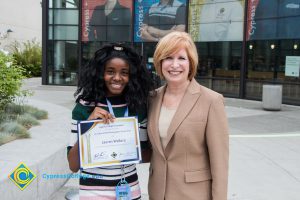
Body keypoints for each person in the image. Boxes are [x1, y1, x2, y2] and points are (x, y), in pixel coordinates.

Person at [147, 31, 229, 200]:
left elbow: (220, 164)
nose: (174, 65)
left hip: (193, 194)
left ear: (190, 63)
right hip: (157, 193)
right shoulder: (151, 99)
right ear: (160, 62)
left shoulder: (211, 101)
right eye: (168, 58)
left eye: (181, 58)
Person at [67, 43, 153, 199]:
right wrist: (89, 127)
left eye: (124, 72)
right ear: (100, 73)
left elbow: (145, 156)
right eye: (110, 72)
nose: (117, 78)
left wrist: (129, 142)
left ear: (131, 76)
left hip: (129, 191)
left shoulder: (137, 108)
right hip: (93, 192)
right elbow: (73, 165)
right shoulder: (84, 108)